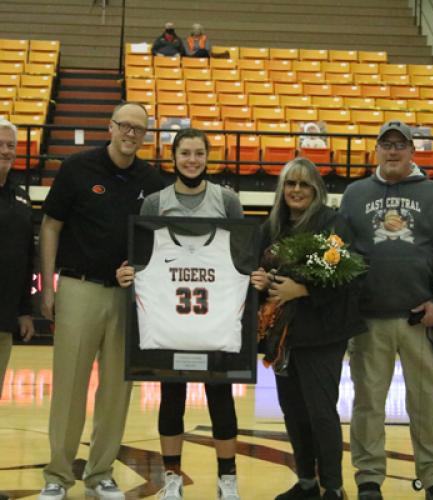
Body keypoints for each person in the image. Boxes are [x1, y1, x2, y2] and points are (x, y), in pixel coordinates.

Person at [38, 102, 164, 500]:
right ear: (110, 127)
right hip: (80, 288)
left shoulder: (153, 181)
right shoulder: (77, 168)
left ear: (145, 136)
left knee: (117, 389)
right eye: (125, 126)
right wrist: (48, 286)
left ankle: (101, 473)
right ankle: (58, 475)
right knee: (70, 386)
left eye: (139, 129)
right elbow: (50, 225)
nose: (131, 133)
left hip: (129, 298)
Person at [116, 128, 244, 500]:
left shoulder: (227, 200)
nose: (192, 160)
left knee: (221, 397)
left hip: (214, 319)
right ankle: (172, 478)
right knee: (171, 396)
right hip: (171, 321)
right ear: (173, 158)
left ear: (207, 157)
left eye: (199, 153)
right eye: (185, 153)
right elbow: (142, 259)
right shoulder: (155, 203)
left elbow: (241, 256)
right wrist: (129, 272)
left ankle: (227, 479)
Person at [339, 121, 433, 500]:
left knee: (427, 403)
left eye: (400, 145)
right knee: (368, 403)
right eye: (386, 144)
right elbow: (339, 251)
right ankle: (369, 478)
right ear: (376, 150)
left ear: (412, 151)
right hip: (368, 320)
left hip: (418, 319)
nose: (393, 151)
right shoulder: (355, 193)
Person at [250, 157, 366, 500]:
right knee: (294, 412)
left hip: (322, 334)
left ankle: (333, 486)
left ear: (316, 189)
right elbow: (254, 271)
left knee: (320, 412)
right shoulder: (270, 227)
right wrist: (259, 281)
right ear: (281, 189)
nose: (296, 190)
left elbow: (352, 276)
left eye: (303, 184)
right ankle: (306, 483)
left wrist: (304, 290)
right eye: (290, 183)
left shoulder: (334, 223)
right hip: (281, 338)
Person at [0, 118, 35, 398]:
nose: (6, 151)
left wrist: (24, 311)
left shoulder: (21, 197)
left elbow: (26, 258)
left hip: (4, 316)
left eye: (10, 145)